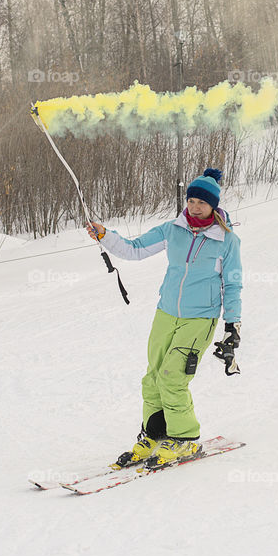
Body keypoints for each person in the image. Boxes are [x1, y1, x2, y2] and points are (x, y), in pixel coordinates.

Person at [86, 168, 243, 469]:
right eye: (192, 200)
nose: (195, 206)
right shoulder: (173, 229)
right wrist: (105, 235)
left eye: (202, 202)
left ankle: (185, 439)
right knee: (153, 376)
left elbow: (233, 284)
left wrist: (231, 326)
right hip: (166, 313)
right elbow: (133, 250)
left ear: (213, 206)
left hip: (200, 319)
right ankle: (154, 435)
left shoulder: (226, 241)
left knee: (173, 377)